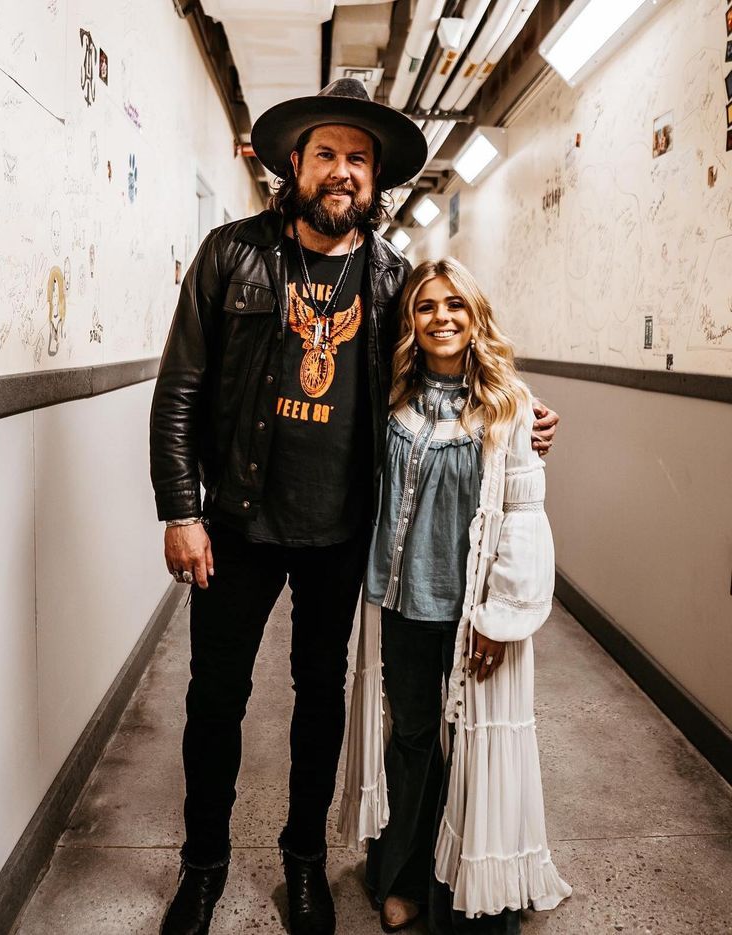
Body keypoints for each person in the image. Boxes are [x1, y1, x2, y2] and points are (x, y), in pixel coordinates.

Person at [150, 79, 560, 935]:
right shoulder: (231, 255)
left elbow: (448, 364)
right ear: (293, 164)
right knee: (214, 696)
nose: (343, 173)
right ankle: (203, 865)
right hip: (237, 521)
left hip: (343, 531)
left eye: (359, 160)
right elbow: (181, 387)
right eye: (328, 154)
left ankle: (304, 861)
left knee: (320, 697)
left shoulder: (392, 280)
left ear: (377, 181)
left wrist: (515, 412)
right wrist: (181, 508)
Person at [339, 258, 571, 934]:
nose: (441, 317)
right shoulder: (391, 398)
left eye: (455, 306)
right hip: (405, 603)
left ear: (476, 318)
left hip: (475, 612)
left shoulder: (509, 404)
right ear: (409, 322)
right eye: (426, 307)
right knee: (412, 738)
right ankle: (404, 876)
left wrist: (503, 616)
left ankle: (474, 882)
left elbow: (525, 519)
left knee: (476, 742)